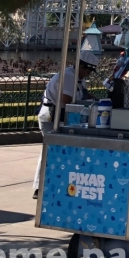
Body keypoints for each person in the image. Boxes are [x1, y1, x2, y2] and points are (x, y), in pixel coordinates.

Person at [33, 50, 99, 199]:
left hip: (58, 115)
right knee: (49, 149)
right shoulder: (69, 76)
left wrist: (95, 99)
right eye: (88, 71)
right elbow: (67, 101)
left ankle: (52, 183)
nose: (89, 74)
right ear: (82, 67)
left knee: (58, 150)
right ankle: (39, 187)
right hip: (51, 115)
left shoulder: (78, 78)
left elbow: (83, 93)